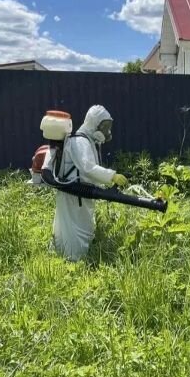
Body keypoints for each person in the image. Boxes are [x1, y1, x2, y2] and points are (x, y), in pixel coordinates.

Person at [52, 105, 128, 261]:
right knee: (74, 230)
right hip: (73, 194)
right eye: (104, 126)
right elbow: (87, 167)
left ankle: (77, 254)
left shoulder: (89, 140)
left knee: (82, 226)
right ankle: (73, 259)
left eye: (108, 127)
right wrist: (111, 176)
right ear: (93, 123)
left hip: (82, 194)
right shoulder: (80, 141)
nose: (106, 131)